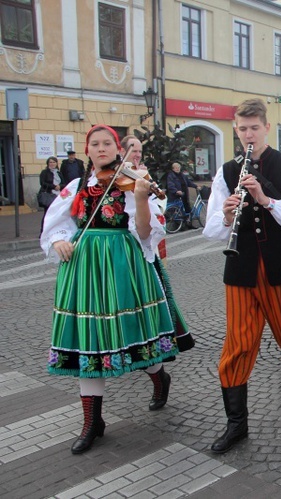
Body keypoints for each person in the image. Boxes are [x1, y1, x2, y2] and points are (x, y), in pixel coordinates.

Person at [40, 125, 180, 455]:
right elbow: (55, 222)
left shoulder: (131, 184)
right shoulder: (76, 186)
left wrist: (143, 198)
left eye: (107, 143)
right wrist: (59, 240)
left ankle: (159, 376)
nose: (101, 148)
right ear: (86, 150)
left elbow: (145, 233)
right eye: (95, 144)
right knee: (89, 342)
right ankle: (93, 423)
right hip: (84, 271)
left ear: (118, 149)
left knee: (130, 335)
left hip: (122, 267)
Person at [203, 98, 281, 455]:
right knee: (238, 343)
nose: (248, 135)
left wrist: (266, 199)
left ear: (266, 127)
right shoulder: (226, 171)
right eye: (242, 129)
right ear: (236, 130)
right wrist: (227, 215)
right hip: (241, 268)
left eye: (254, 128)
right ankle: (236, 424)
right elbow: (211, 229)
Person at [120, 135, 194, 355]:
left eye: (140, 151)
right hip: (125, 243)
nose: (137, 155)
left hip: (146, 237)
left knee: (156, 289)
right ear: (122, 151)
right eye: (133, 150)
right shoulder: (118, 176)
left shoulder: (141, 174)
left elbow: (155, 201)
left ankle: (162, 336)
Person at [38, 156, 62, 233]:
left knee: (57, 214)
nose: (52, 164)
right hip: (49, 195)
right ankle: (43, 231)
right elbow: (42, 183)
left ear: (56, 163)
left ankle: (54, 231)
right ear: (48, 164)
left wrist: (60, 186)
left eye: (54, 162)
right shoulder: (44, 172)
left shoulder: (59, 173)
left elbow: (64, 183)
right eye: (50, 162)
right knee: (47, 214)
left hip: (58, 196)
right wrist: (53, 186)